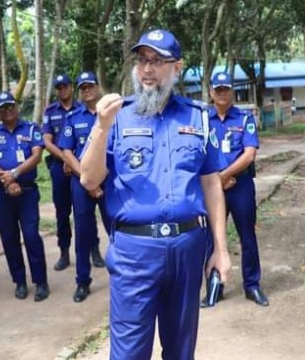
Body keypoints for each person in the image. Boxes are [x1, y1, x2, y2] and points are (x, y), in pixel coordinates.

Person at [79, 29, 232, 359]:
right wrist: (101, 127)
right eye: (142, 60)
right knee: (129, 352)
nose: (147, 69)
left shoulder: (198, 116)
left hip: (188, 249)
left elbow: (211, 185)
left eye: (157, 61)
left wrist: (221, 249)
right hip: (135, 252)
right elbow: (89, 179)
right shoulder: (116, 116)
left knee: (180, 349)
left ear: (177, 68)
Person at [203, 71, 268, 307]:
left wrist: (225, 175)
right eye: (217, 89)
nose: (222, 93)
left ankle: (252, 285)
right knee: (211, 238)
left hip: (239, 186)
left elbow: (249, 154)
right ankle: (214, 287)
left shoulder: (244, 118)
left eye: (226, 89)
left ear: (232, 92)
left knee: (247, 236)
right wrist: (216, 181)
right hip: (211, 188)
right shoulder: (202, 120)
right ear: (211, 92)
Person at [0, 92, 50, 302]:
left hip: (27, 192)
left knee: (31, 236)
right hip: (1, 193)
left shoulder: (30, 128)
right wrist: (6, 180)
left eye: (10, 106)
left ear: (17, 107)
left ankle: (41, 281)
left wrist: (15, 174)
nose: (7, 110)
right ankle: (19, 281)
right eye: (3, 108)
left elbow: (36, 155)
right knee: (9, 238)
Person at [59, 71, 111, 303]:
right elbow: (67, 152)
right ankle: (82, 281)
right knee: (83, 233)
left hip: (109, 181)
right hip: (81, 183)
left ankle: (125, 275)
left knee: (117, 229)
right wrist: (88, 179)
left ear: (99, 87)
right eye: (83, 87)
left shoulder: (111, 115)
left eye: (90, 85)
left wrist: (98, 179)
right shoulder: (72, 118)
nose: (86, 90)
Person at [42, 74, 80, 271]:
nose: (62, 90)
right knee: (62, 212)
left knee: (84, 211)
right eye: (58, 87)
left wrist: (73, 161)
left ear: (71, 88)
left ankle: (92, 250)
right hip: (59, 167)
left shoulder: (82, 108)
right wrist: (67, 159)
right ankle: (64, 253)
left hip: (81, 166)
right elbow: (47, 141)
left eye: (64, 86)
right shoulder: (50, 112)